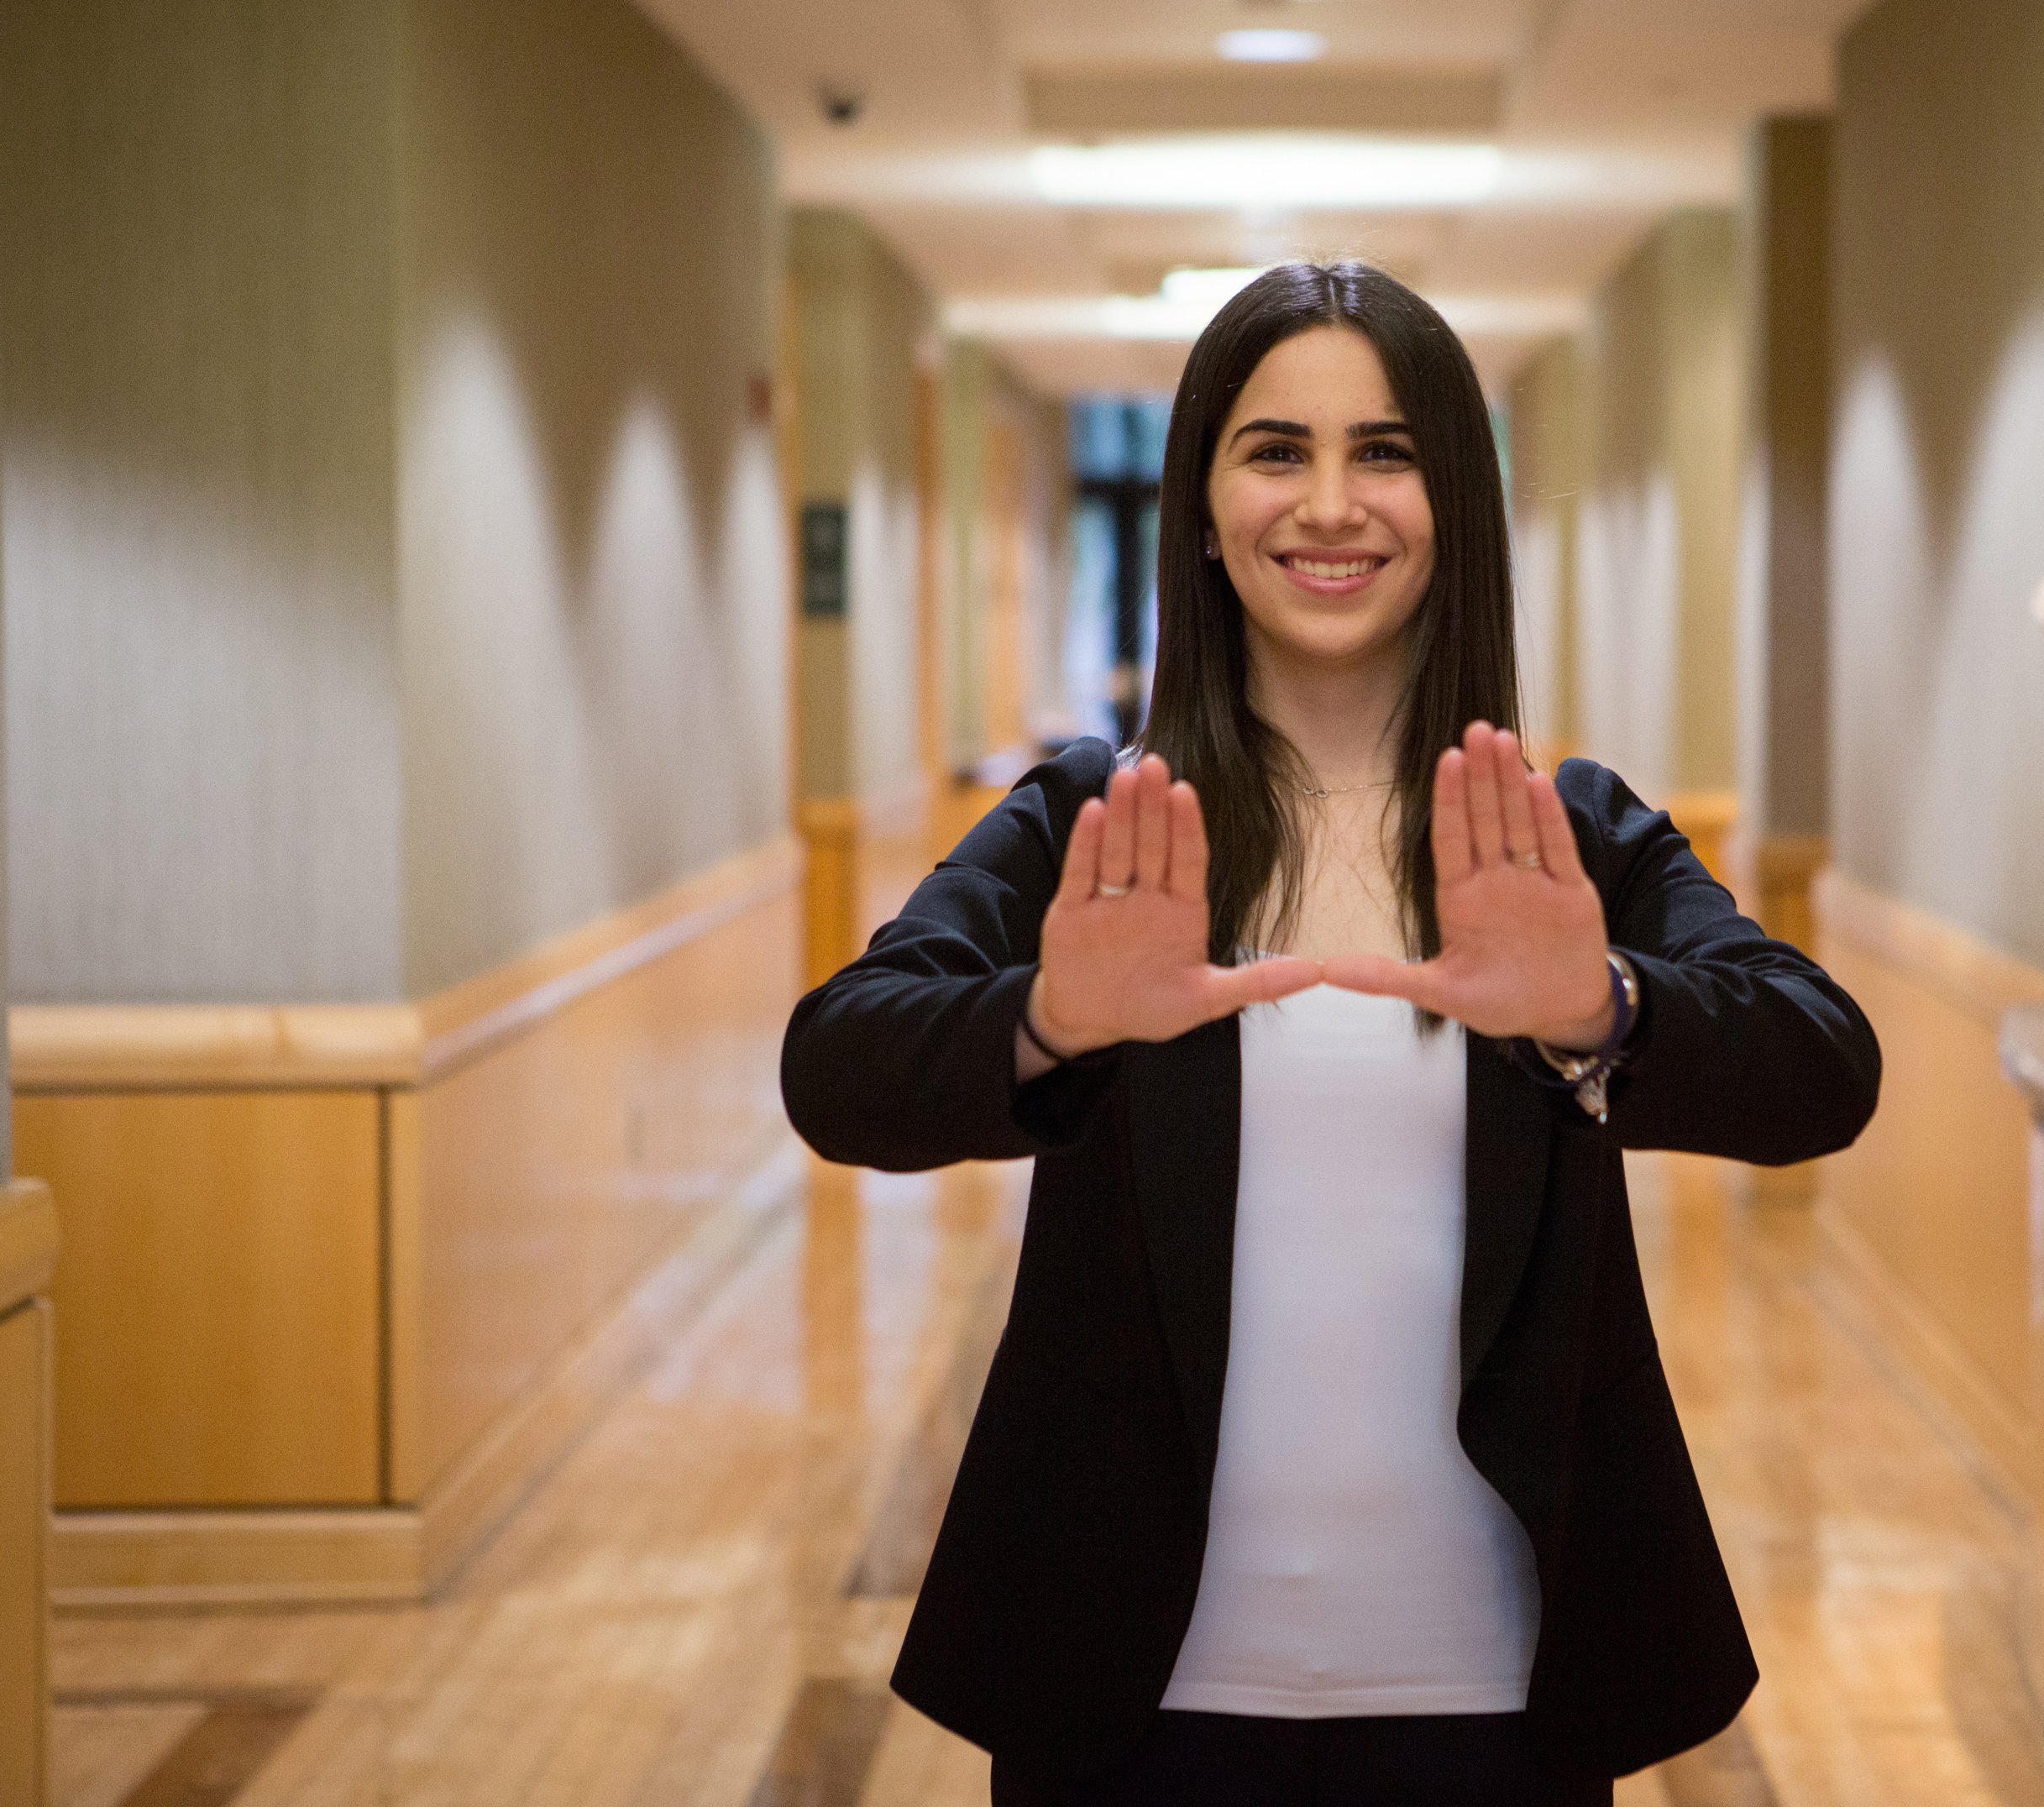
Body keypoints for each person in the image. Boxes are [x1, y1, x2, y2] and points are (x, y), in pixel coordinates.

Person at [780, 261, 1879, 1806]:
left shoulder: (1564, 839)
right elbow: (837, 1064)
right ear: (1207, 505)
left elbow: (1823, 1064)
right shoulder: (1101, 825)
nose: (1331, 505)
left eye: (1387, 452)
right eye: (1276, 450)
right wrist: (1047, 1020)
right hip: (1133, 1690)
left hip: (1495, 1690)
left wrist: (1599, 1008)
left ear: (1454, 502)